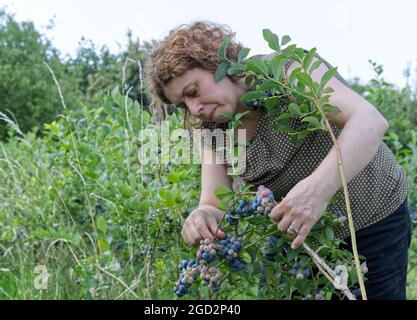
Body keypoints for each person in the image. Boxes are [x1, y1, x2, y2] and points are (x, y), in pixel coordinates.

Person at [144, 21, 411, 299]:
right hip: (299, 233)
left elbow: (368, 120)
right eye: (183, 104)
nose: (195, 109)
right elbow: (215, 204)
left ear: (216, 63)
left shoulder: (284, 72)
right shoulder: (213, 129)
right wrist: (202, 216)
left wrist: (317, 189)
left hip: (371, 218)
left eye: (192, 91)